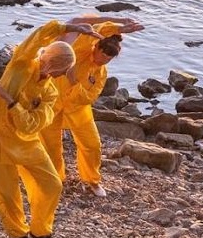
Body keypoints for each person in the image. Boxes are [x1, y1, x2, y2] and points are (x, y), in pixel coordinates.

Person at [0, 18, 104, 238]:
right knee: (7, 193)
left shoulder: (51, 91)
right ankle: (18, 234)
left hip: (25, 140)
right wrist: (70, 28)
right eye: (64, 69)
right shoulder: (21, 66)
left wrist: (12, 103)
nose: (65, 74)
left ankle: (41, 231)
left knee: (52, 184)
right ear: (52, 64)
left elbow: (32, 125)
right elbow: (37, 37)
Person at [40, 17, 143, 197]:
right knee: (51, 143)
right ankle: (57, 178)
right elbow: (96, 29)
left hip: (78, 109)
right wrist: (119, 27)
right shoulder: (79, 52)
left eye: (108, 60)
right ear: (95, 47)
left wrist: (73, 82)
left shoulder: (101, 73)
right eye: (102, 56)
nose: (103, 61)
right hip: (52, 102)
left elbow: (89, 97)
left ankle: (92, 180)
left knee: (92, 144)